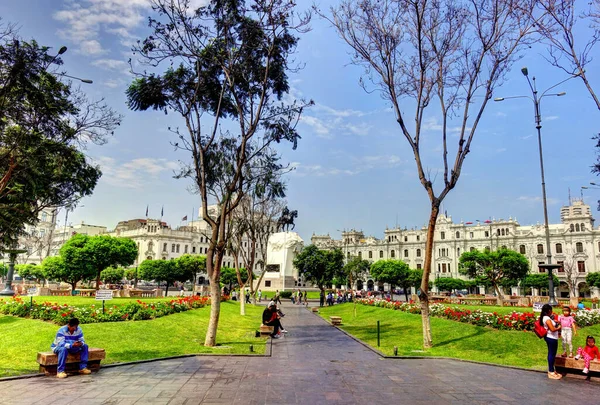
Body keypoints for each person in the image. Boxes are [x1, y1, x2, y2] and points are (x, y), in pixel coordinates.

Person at [540, 304, 562, 379]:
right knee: (552, 354)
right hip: (551, 337)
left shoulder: (545, 317)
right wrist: (559, 327)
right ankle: (551, 371)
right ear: (549, 310)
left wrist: (555, 322)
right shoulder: (547, 319)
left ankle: (552, 370)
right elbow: (552, 329)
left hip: (550, 337)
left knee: (551, 353)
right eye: (551, 310)